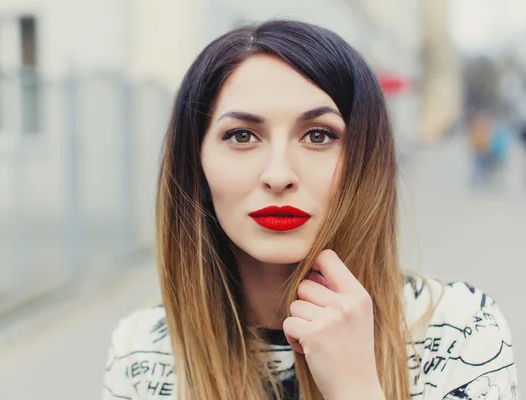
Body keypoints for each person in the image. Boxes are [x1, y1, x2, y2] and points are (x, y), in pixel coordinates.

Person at [102, 20, 518, 400]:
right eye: (242, 135)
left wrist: (355, 388)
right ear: (197, 167)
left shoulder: (459, 331)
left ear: (364, 160)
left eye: (318, 135)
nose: (279, 174)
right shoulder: (142, 350)